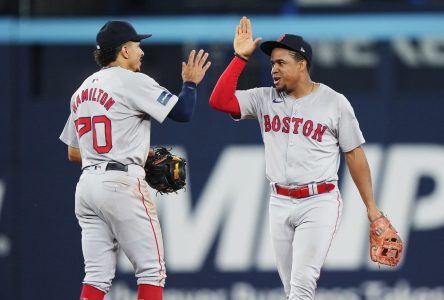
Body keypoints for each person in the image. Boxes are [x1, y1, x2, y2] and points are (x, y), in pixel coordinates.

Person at [209, 16, 383, 299]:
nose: (273, 70)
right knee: (292, 289)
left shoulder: (334, 102)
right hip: (279, 201)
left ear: (301, 64)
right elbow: (219, 101)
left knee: (301, 287)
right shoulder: (264, 98)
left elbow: (354, 154)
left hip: (319, 202)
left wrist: (371, 208)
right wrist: (240, 58)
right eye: (271, 64)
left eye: (281, 63)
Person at [59, 20, 210, 300]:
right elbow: (183, 112)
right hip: (120, 183)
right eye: (138, 46)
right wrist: (190, 83)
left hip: (87, 188)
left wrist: (126, 155)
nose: (142, 52)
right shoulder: (131, 80)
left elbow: (73, 152)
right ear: (124, 50)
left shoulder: (81, 92)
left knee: (96, 277)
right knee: (152, 272)